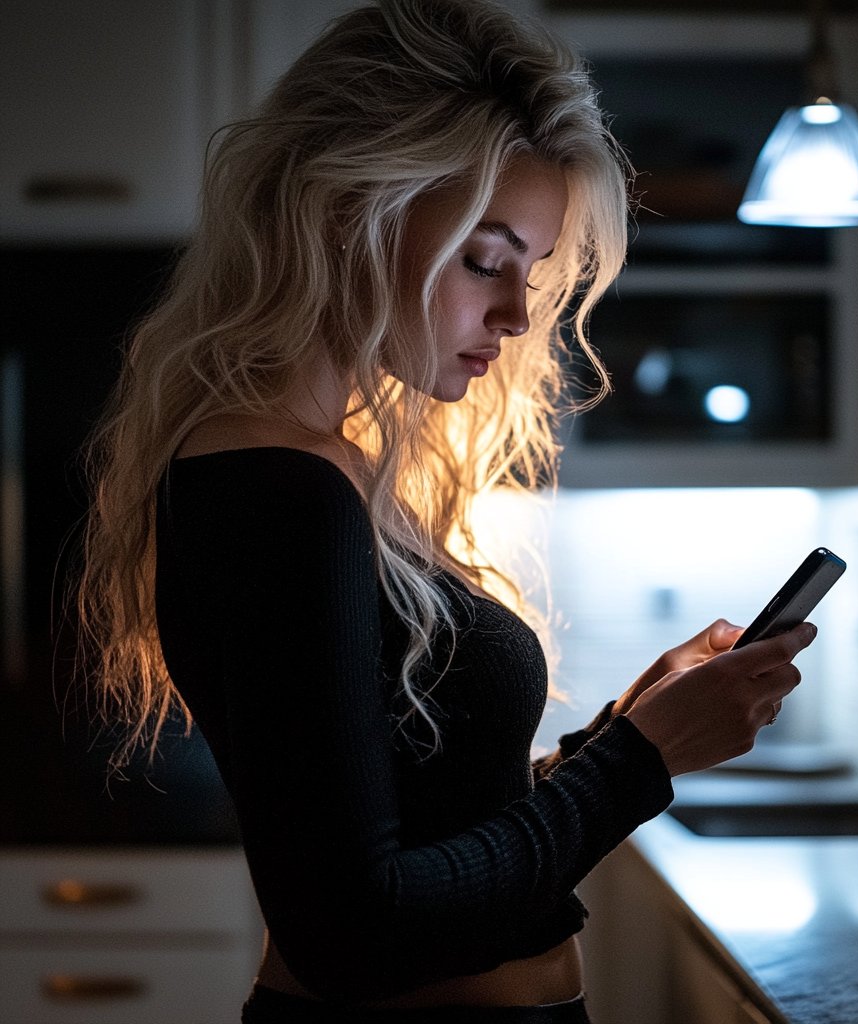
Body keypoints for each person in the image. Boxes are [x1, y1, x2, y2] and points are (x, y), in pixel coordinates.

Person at [74, 1, 815, 1021]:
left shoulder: (326, 468)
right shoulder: (275, 490)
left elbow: (437, 826)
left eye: (531, 271)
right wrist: (643, 763)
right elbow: (356, 929)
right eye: (485, 259)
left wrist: (623, 734)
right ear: (350, 208)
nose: (515, 317)